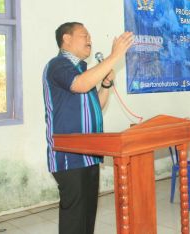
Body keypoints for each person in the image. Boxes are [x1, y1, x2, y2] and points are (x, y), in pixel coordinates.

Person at [42, 22, 133, 234]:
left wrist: (106, 86)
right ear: (66, 38)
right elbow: (80, 85)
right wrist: (114, 56)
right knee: (75, 218)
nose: (89, 39)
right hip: (69, 155)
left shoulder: (83, 71)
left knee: (87, 216)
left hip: (90, 153)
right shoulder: (58, 65)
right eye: (84, 35)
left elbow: (96, 106)